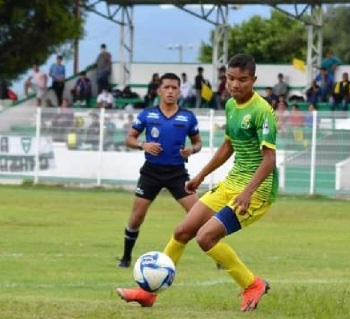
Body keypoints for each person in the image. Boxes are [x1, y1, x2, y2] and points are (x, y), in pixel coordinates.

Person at [116, 54, 277, 312]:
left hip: (256, 191)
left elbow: (269, 160)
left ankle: (252, 284)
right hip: (230, 184)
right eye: (231, 79)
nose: (235, 85)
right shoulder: (232, 106)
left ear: (253, 80)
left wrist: (248, 192)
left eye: (242, 80)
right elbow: (228, 146)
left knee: (205, 238)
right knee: (182, 231)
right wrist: (201, 176)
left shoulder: (262, 111)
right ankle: (149, 294)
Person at [116, 73, 202, 268]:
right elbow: (129, 138)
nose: (170, 91)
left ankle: (219, 257)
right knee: (137, 217)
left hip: (177, 173)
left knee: (198, 215)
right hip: (151, 172)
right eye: (167, 87)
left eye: (174, 88)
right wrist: (142, 145)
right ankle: (126, 256)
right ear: (159, 90)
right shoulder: (148, 114)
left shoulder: (187, 117)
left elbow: (198, 143)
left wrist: (192, 150)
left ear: (179, 91)